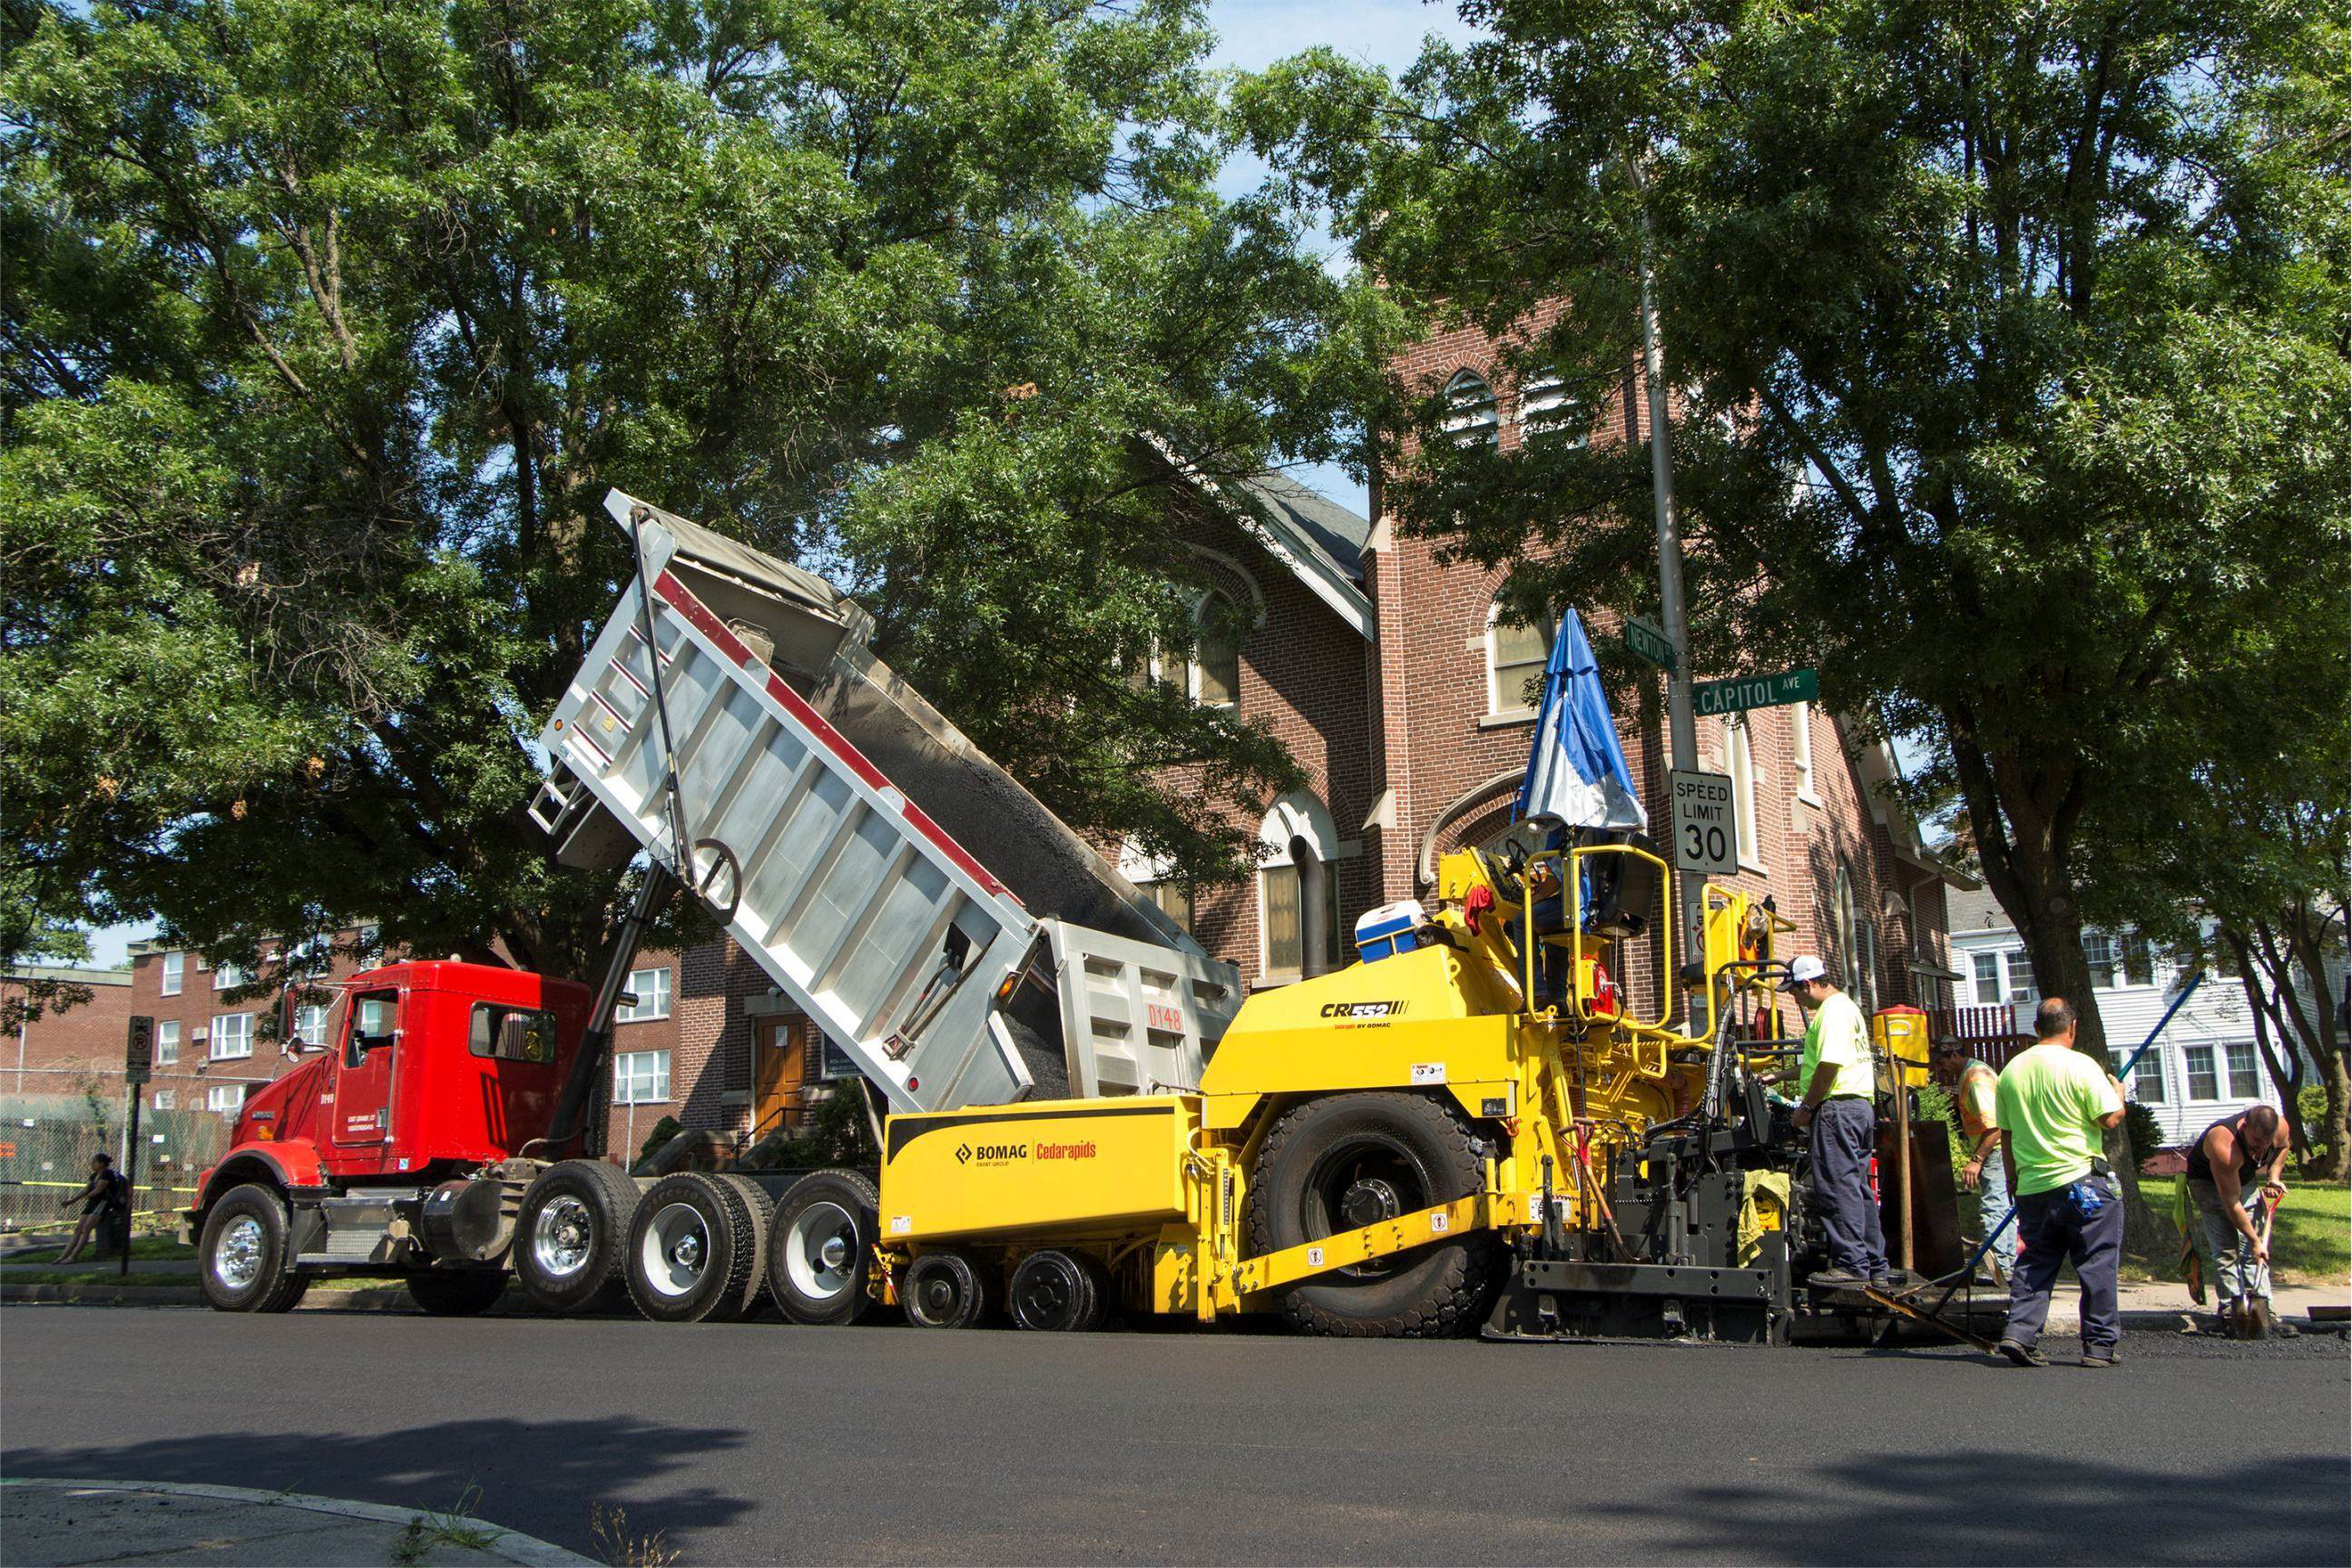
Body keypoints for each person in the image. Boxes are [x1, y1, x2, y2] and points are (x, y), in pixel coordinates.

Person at [1991, 998, 2126, 1368]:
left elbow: (2006, 1134)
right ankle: (2099, 1346)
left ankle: (2019, 1333)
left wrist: (2013, 1179)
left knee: (2035, 1260)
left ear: (2037, 1028)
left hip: (2034, 1187)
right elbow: (2109, 1119)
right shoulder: (2081, 1065)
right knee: (2096, 1261)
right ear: (2073, 1027)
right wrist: (2119, 1097)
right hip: (2082, 1183)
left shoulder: (2011, 1072)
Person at [1767, 956, 1896, 1291]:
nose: (1795, 998)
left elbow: (1828, 1067)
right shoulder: (1847, 1009)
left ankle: (1851, 1264)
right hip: (1857, 1108)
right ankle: (1875, 1264)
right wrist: (1778, 1076)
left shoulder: (1832, 1013)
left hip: (1837, 1110)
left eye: (1795, 991)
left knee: (1836, 1186)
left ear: (1808, 984)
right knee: (1856, 1187)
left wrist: (1806, 1108)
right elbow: (1818, 1063)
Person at [2184, 1103, 2298, 1338]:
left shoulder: (2280, 1129)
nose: (2260, 1149)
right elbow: (2231, 1203)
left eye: (2266, 1143)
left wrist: (2274, 1176)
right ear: (2244, 1127)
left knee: (2251, 1253)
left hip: (2243, 1179)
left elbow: (2284, 1146)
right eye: (2255, 1142)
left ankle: (2264, 1311)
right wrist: (2256, 1240)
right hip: (2208, 1184)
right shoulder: (2224, 1144)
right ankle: (2231, 1310)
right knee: (2226, 1249)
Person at [1931, 1037, 2017, 1281]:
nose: (1939, 1069)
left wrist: (1977, 1159)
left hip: (1996, 1150)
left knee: (1995, 1206)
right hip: (1999, 1150)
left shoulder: (1976, 1079)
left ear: (1954, 1055)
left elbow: (1996, 1126)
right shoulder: (1972, 1073)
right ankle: (2007, 1264)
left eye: (1941, 1063)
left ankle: (1999, 1266)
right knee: (2003, 1205)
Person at [54, 1153, 129, 1265]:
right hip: (91, 1203)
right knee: (78, 1229)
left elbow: (99, 1189)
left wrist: (88, 1195)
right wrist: (71, 1201)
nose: (92, 1164)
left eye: (94, 1162)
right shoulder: (93, 1176)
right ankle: (63, 1256)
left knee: (86, 1229)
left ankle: (73, 1257)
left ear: (102, 1163)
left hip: (102, 1203)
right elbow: (86, 1190)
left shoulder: (107, 1174)